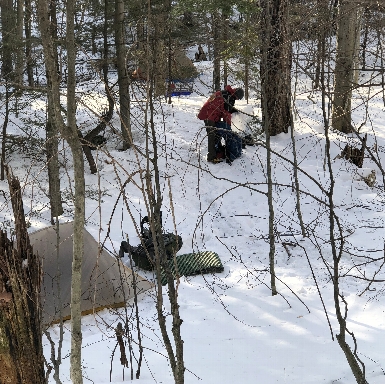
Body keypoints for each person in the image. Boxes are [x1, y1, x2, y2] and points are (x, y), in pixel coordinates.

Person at [198, 85, 244, 163]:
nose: (237, 99)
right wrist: (228, 126)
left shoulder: (226, 93)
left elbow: (223, 107)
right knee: (212, 136)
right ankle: (212, 157)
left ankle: (217, 151)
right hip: (209, 115)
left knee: (216, 133)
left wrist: (233, 111)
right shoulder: (228, 97)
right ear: (236, 95)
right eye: (238, 98)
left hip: (210, 113)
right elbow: (226, 114)